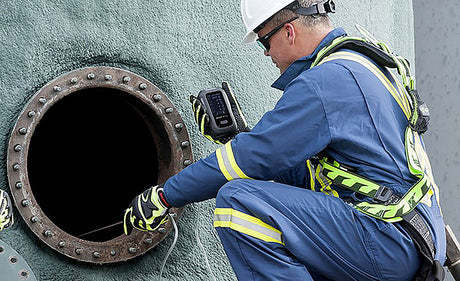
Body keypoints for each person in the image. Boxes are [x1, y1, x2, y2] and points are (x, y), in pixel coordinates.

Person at [124, 0, 446, 280]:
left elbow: (251, 159)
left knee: (238, 201)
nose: (266, 53)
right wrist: (238, 136)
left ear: (288, 32)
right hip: (408, 239)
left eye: (265, 40)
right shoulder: (361, 66)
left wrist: (167, 197)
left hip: (387, 238)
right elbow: (309, 180)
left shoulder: (326, 81)